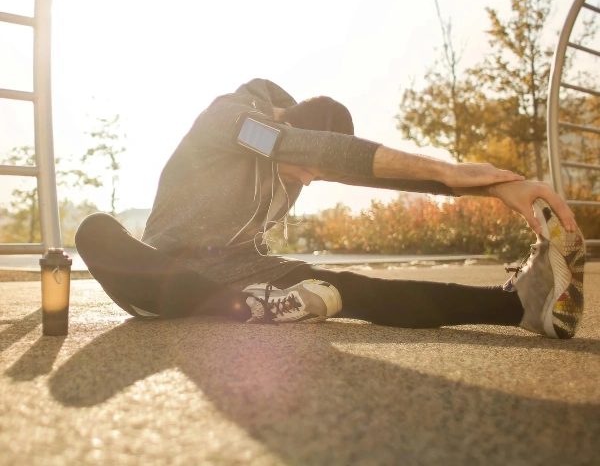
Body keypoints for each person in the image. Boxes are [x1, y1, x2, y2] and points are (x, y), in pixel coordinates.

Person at [75, 79, 585, 339]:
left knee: (351, 287)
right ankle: (250, 306)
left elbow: (362, 168)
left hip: (244, 273)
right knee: (95, 230)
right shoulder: (233, 120)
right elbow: (306, 151)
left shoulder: (296, 149)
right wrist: (453, 172)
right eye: (310, 167)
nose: (311, 180)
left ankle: (517, 306)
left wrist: (495, 188)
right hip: (160, 278)